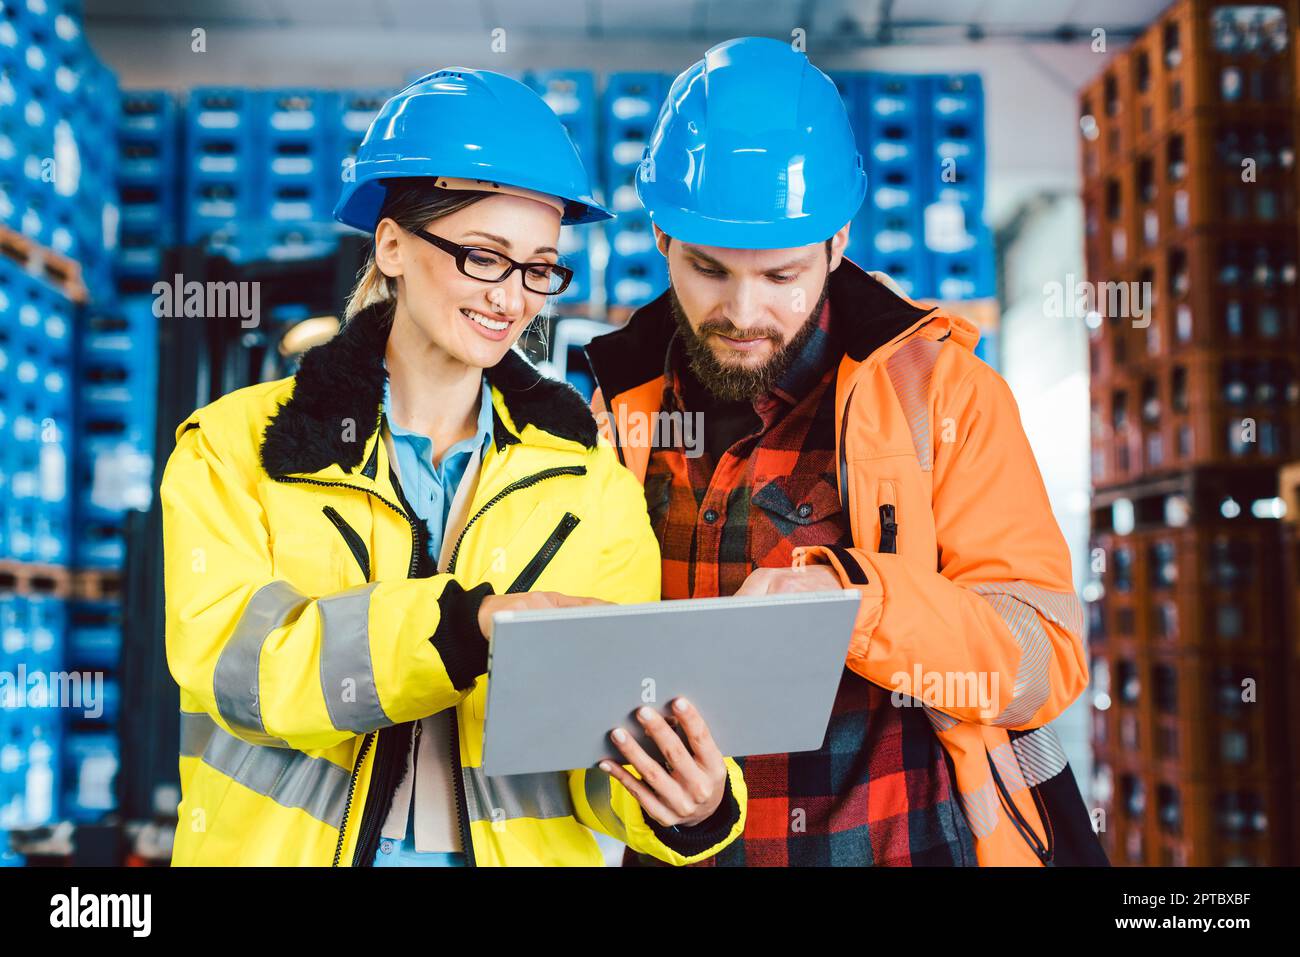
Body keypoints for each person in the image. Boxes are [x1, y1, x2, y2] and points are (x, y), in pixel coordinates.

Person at [161, 68, 745, 866]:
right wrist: (460, 627)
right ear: (392, 244)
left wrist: (687, 802)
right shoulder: (233, 449)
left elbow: (594, 761)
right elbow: (242, 675)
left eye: (539, 266)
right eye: (484, 256)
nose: (513, 298)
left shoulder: (587, 484)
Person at [586, 37, 1107, 866]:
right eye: (709, 270)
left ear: (837, 244)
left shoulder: (946, 395)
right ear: (660, 235)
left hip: (911, 845)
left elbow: (1044, 658)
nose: (742, 312)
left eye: (782, 275)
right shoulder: (613, 410)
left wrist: (849, 601)